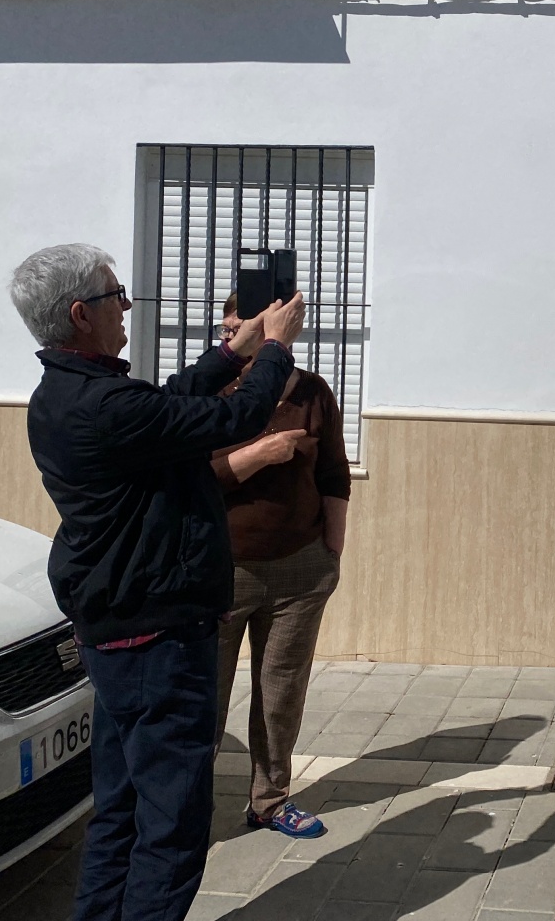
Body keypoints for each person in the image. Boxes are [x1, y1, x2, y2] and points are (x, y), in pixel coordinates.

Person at [9, 244, 303, 921]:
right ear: (81, 314)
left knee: (120, 811)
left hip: (119, 635)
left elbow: (167, 405)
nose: (127, 307)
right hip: (157, 642)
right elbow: (232, 419)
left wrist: (234, 352)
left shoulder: (67, 394)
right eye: (116, 296)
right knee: (171, 828)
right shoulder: (104, 405)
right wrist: (276, 349)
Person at [211, 292, 351, 837]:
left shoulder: (313, 393)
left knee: (282, 693)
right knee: (204, 696)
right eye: (226, 330)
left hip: (299, 571)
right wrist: (257, 456)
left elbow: (334, 475)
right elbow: (192, 477)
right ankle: (185, 807)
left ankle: (269, 801)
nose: (230, 339)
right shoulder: (212, 391)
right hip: (219, 572)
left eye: (238, 329)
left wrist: (330, 555)